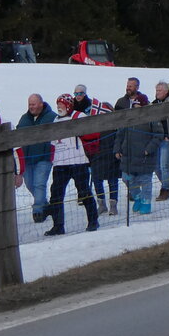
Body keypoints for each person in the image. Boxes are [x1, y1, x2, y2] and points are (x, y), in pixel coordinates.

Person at [44, 94, 99, 236]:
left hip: (78, 161)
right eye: (58, 105)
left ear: (68, 105)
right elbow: (52, 143)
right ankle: (58, 225)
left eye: (62, 104)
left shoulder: (79, 117)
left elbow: (91, 134)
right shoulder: (55, 120)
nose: (59, 107)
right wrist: (52, 159)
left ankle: (93, 221)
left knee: (84, 192)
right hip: (60, 164)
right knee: (56, 195)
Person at [72, 85, 118, 216]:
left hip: (108, 149)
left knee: (112, 178)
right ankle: (101, 204)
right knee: (96, 177)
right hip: (92, 149)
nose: (78, 95)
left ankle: (113, 205)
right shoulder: (75, 109)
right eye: (76, 93)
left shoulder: (95, 109)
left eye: (80, 93)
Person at [14, 93, 57, 223]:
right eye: (29, 104)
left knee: (39, 184)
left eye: (33, 104)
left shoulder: (52, 117)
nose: (31, 107)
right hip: (27, 159)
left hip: (44, 157)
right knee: (30, 185)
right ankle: (45, 204)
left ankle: (38, 211)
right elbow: (17, 135)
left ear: (41, 104)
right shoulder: (24, 119)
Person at [115, 100, 162, 215]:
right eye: (134, 106)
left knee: (145, 180)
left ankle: (146, 203)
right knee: (127, 178)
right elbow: (119, 135)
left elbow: (159, 135)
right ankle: (137, 197)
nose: (137, 109)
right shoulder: (127, 119)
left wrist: (149, 149)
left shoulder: (152, 119)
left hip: (144, 156)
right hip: (128, 155)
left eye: (139, 106)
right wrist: (117, 149)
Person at [152, 82, 169, 200]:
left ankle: (165, 189)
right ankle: (168, 183)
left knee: (164, 165)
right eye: (156, 90)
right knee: (156, 166)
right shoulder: (154, 104)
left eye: (159, 91)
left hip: (167, 138)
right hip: (157, 139)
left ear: (166, 91)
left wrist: (168, 134)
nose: (157, 93)